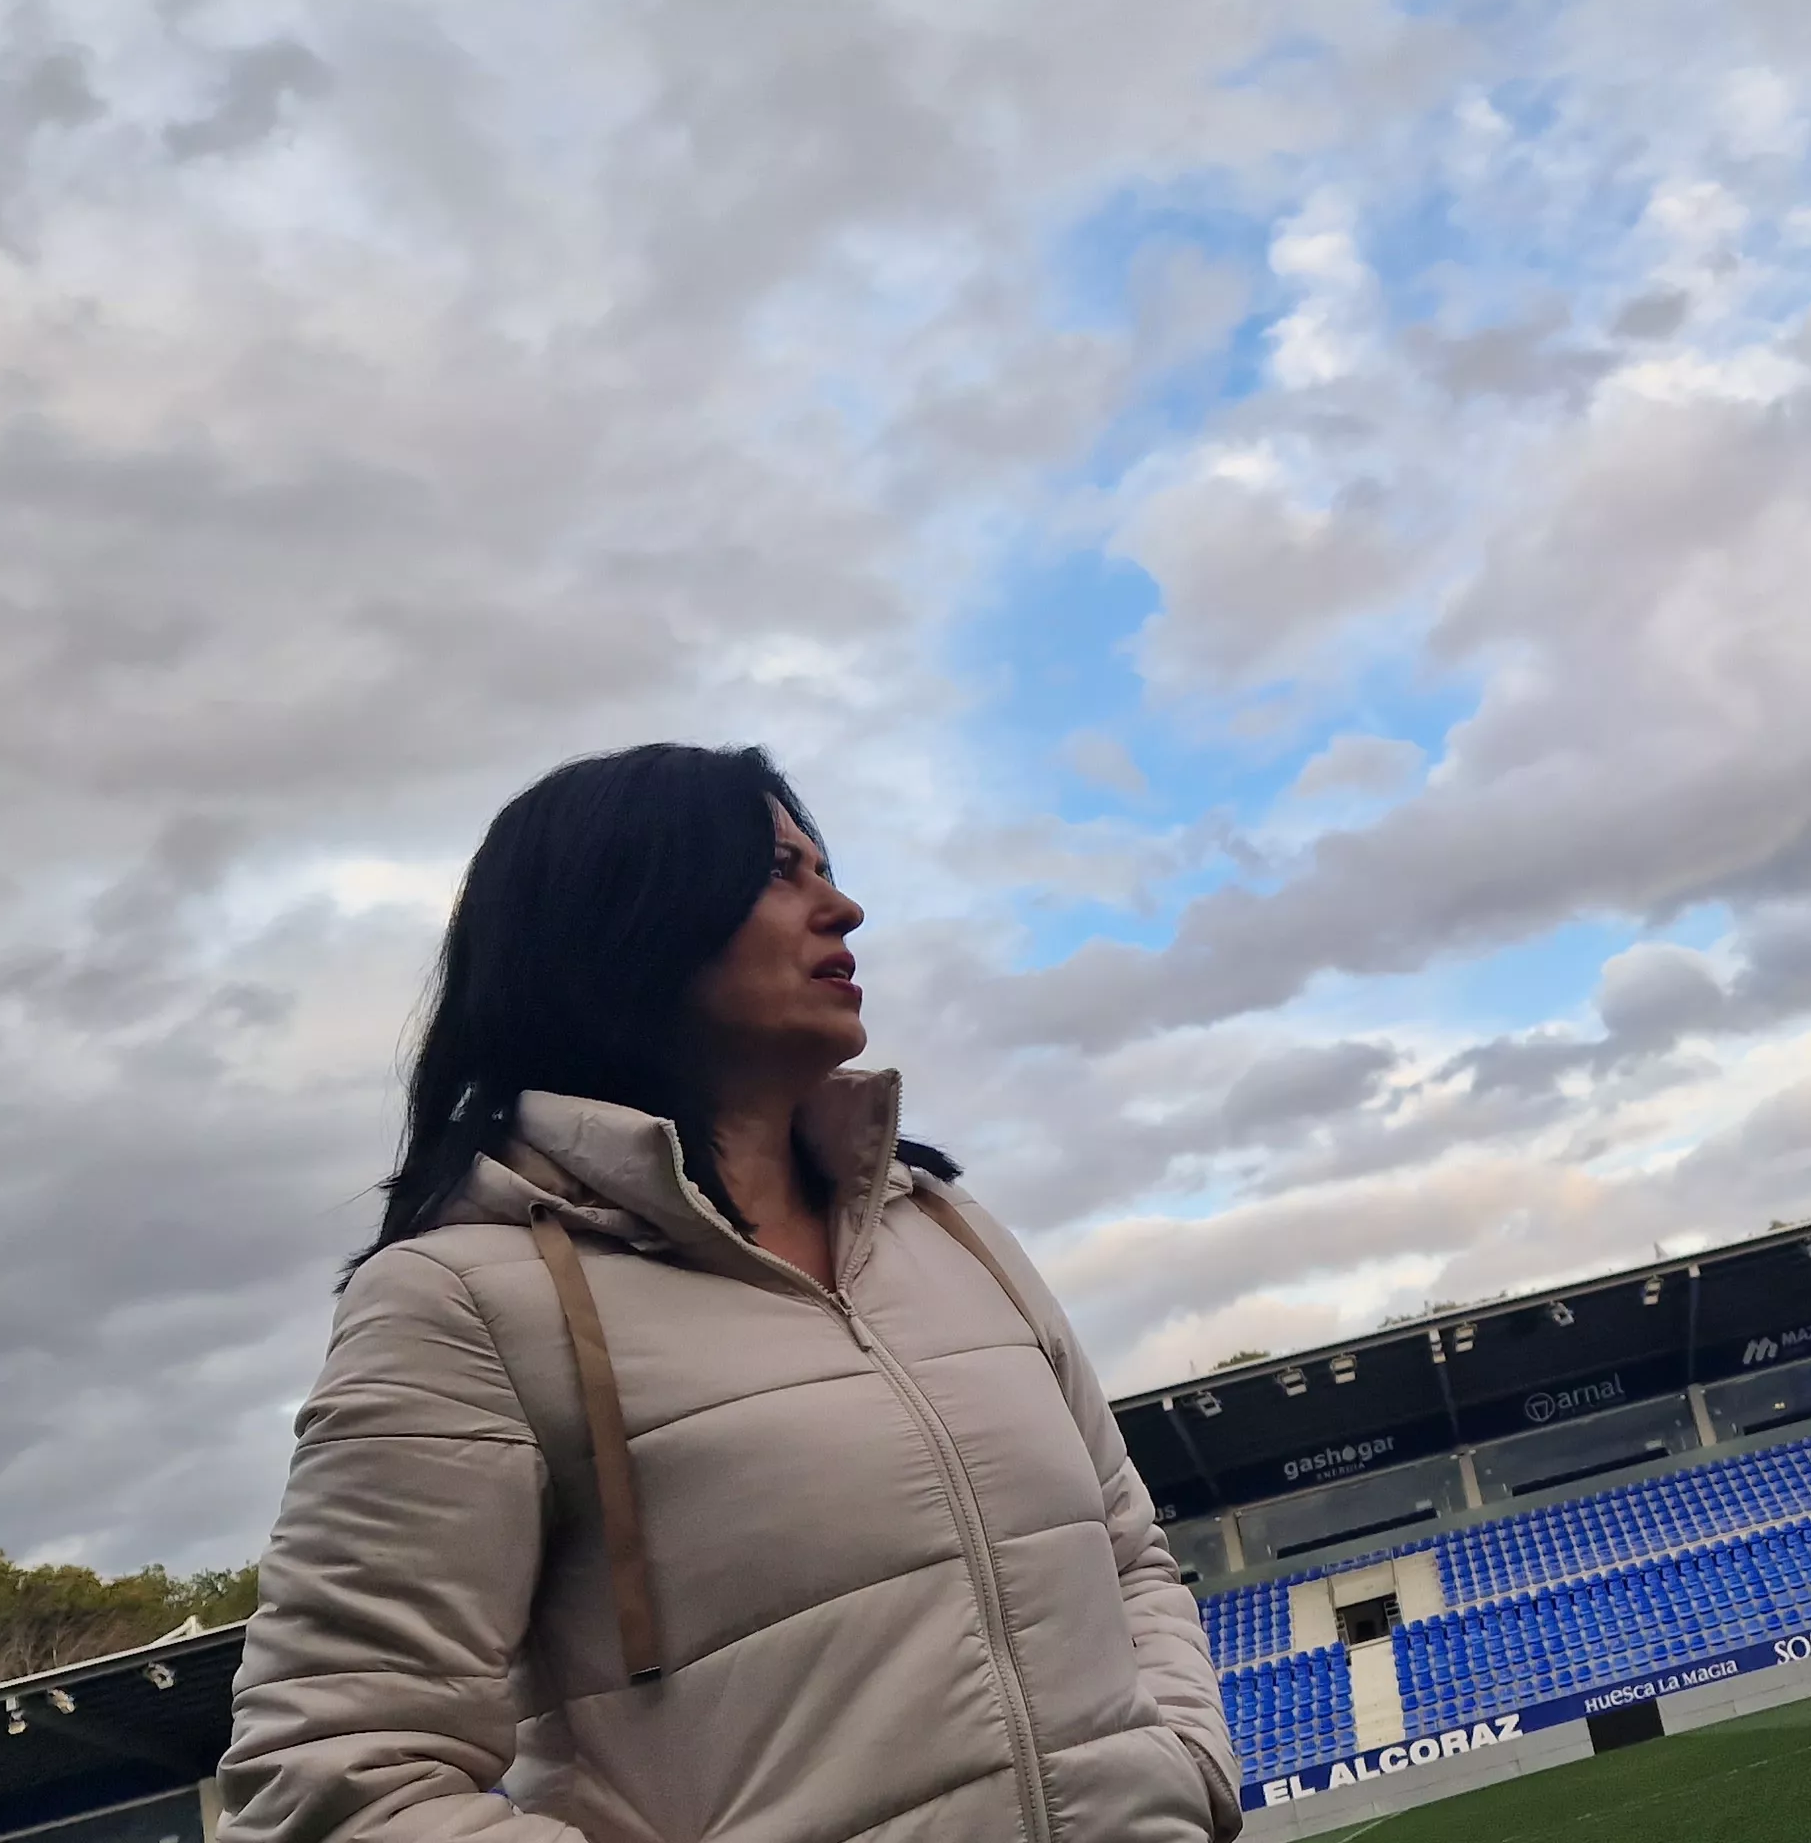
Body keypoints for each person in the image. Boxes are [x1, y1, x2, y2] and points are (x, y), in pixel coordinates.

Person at [221, 744, 1242, 1842]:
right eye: (776, 873)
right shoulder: (457, 1304)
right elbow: (336, 1777)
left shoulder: (953, 1231)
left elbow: (1128, 1554)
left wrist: (1187, 1770)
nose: (842, 908)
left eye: (824, 868)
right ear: (620, 918)